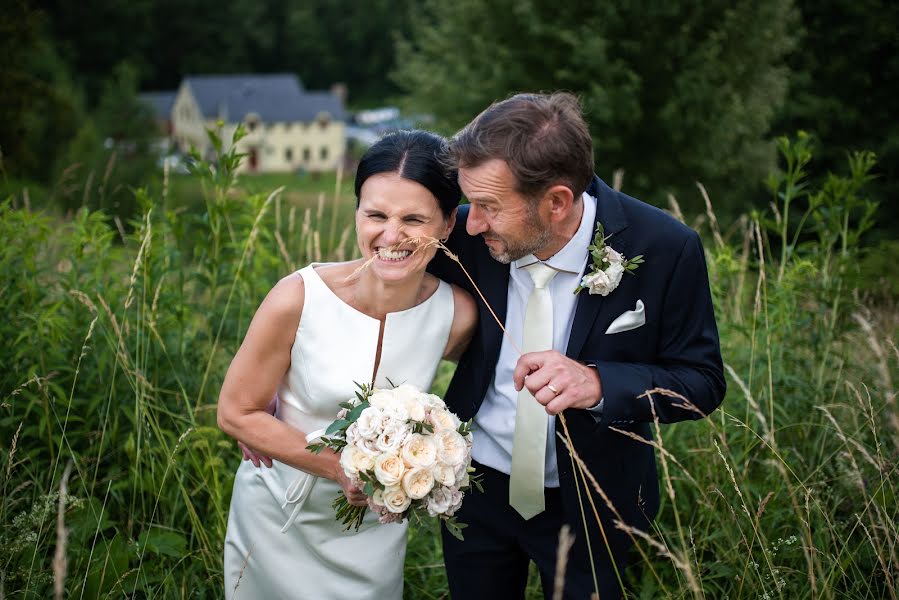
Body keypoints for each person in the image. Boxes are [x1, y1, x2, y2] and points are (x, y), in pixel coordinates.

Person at [427, 92, 726, 599]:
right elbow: (379, 298)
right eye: (470, 202)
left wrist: (598, 382)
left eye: (489, 208)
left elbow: (702, 381)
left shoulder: (665, 248)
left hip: (595, 504)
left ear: (557, 201)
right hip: (474, 489)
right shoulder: (466, 236)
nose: (470, 223)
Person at [217, 130, 477, 599]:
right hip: (277, 519)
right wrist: (338, 466)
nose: (391, 236)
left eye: (413, 219)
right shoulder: (298, 297)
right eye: (375, 214)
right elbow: (236, 411)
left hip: (376, 533)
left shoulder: (456, 314)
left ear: (446, 226)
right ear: (356, 212)